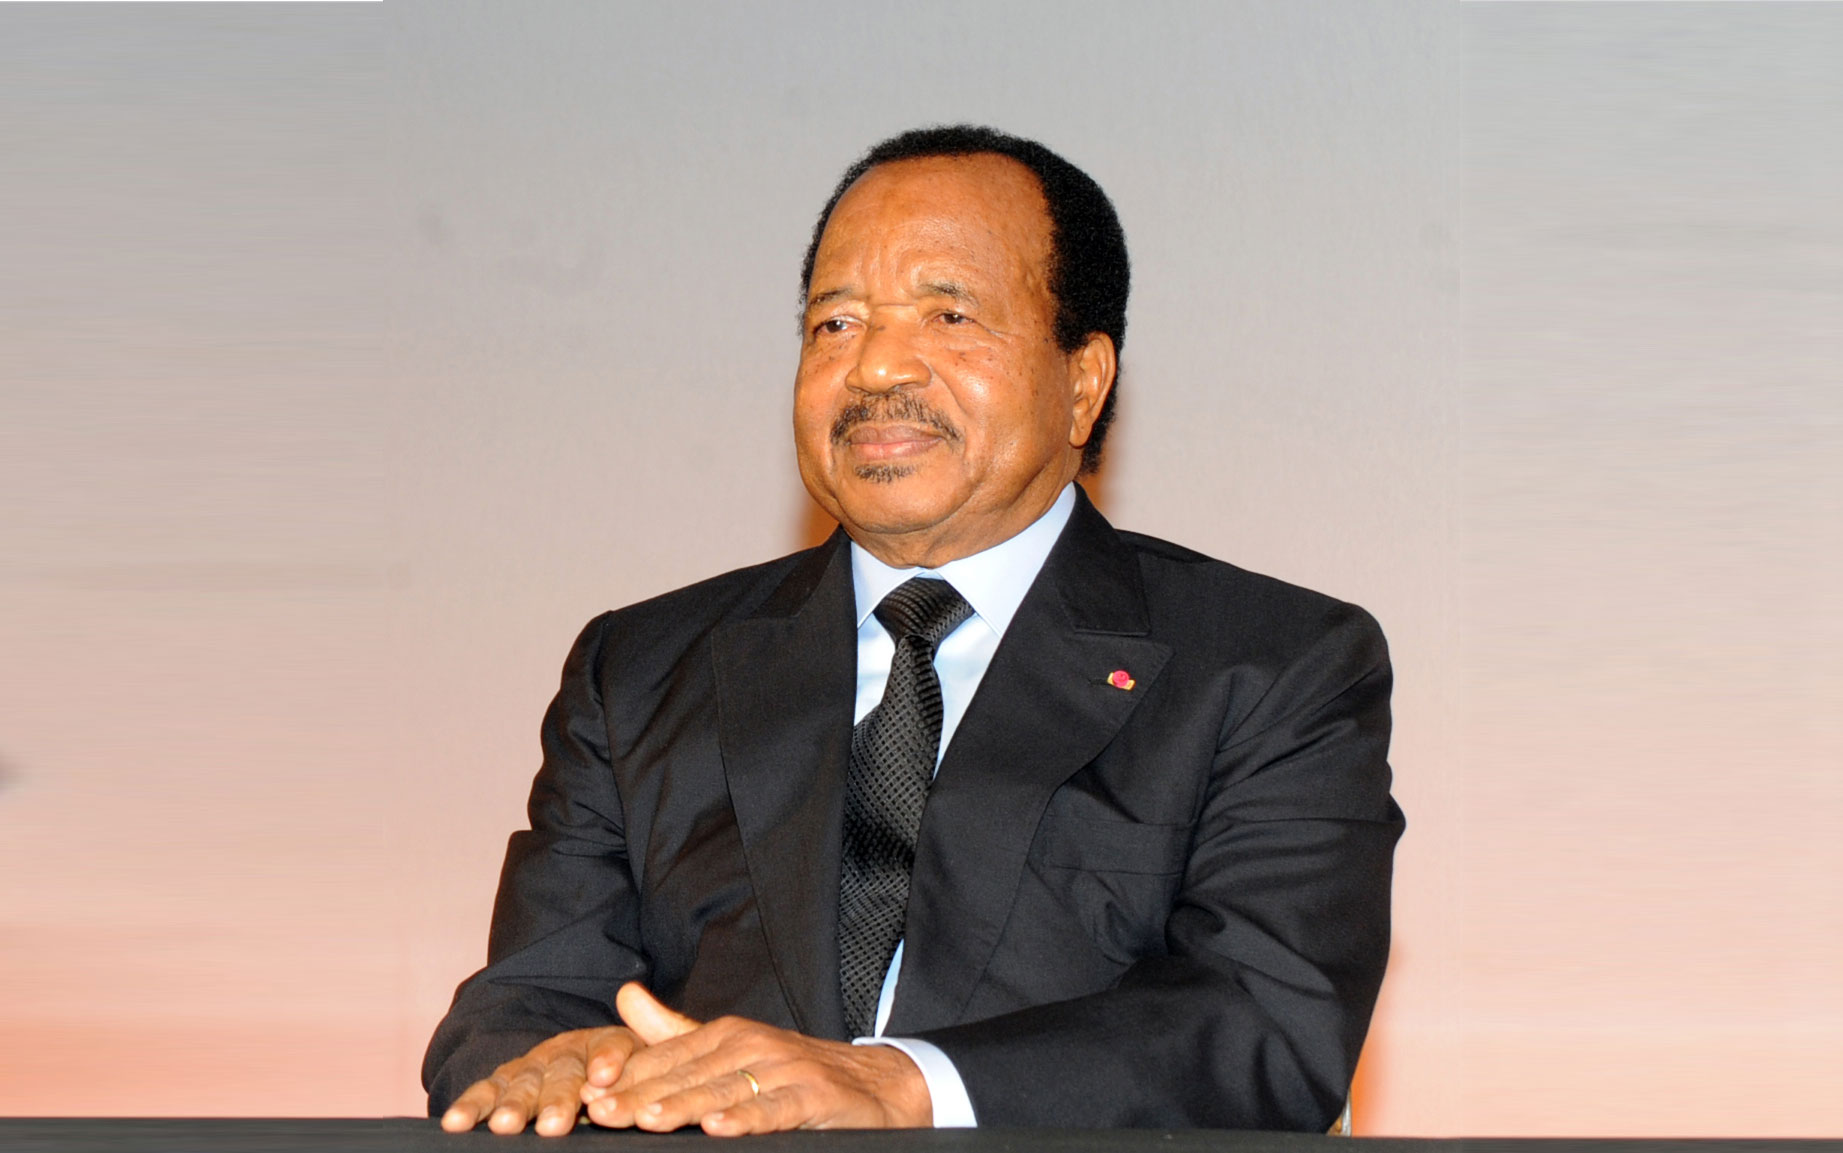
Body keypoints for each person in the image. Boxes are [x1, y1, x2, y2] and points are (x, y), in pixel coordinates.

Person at [423, 125, 1403, 1137]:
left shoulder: (1268, 665)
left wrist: (902, 1085)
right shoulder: (639, 670)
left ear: (1082, 381)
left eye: (948, 313)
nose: (876, 365)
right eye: (835, 323)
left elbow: (1264, 1024)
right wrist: (558, 1061)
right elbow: (523, 1005)